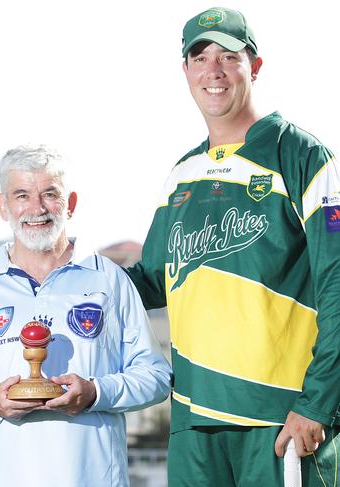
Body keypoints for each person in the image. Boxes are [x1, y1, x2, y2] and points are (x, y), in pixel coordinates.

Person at [125, 7, 340, 486]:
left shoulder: (302, 155)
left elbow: (338, 283)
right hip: (193, 423)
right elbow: (150, 280)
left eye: (228, 56)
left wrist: (317, 404)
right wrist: (65, 272)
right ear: (185, 72)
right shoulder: (182, 174)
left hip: (280, 419)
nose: (213, 70)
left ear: (255, 66)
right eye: (199, 57)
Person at [0, 144, 171, 487]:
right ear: (3, 205)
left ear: (70, 203)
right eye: (22, 195)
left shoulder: (109, 279)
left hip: (90, 477)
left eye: (50, 194)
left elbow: (156, 377)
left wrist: (96, 393)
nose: (37, 208)